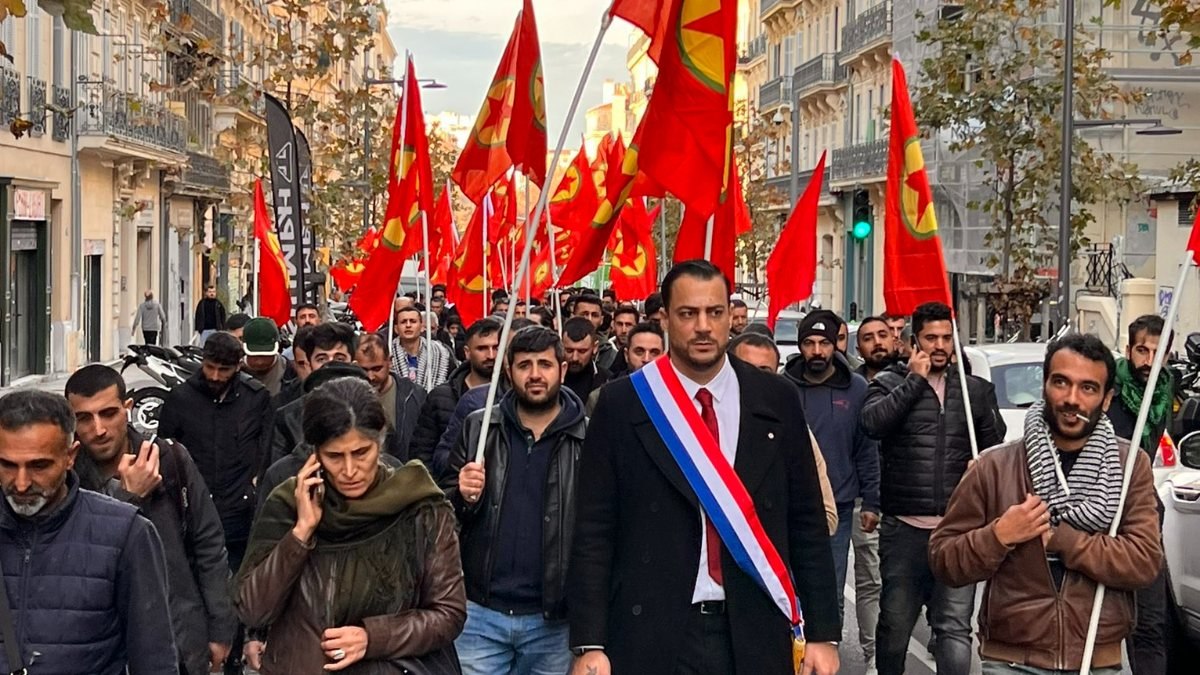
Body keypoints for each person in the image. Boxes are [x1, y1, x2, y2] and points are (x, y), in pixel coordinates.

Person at [568, 260, 841, 675]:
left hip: (754, 625)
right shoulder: (623, 403)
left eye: (714, 313)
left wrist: (822, 632)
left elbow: (805, 521)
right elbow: (594, 528)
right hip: (652, 631)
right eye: (688, 313)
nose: (703, 326)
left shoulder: (776, 398)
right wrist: (590, 642)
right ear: (663, 319)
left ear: (730, 317)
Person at [929, 334, 1163, 673]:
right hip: (1011, 660)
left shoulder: (1130, 467)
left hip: (1095, 660)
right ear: (1044, 386)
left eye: (1088, 388)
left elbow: (1144, 562)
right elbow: (944, 559)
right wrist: (999, 535)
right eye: (1061, 382)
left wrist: (1064, 540)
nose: (1072, 399)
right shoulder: (994, 465)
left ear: (1107, 398)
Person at [235, 378, 466, 674]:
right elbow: (254, 610)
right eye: (334, 456)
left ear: (380, 440)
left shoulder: (420, 506)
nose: (349, 470)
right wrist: (301, 533)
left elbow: (449, 613)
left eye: (361, 453)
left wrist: (374, 637)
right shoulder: (287, 504)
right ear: (315, 452)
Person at [861, 301, 1006, 675]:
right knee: (894, 626)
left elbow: (997, 448)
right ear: (913, 342)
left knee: (954, 629)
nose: (940, 345)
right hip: (905, 529)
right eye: (931, 338)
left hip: (959, 529)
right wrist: (915, 381)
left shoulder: (975, 390)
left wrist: (984, 462)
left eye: (946, 338)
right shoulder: (890, 383)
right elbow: (873, 424)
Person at [66, 365, 236, 675]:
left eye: (108, 413)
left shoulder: (170, 459)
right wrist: (130, 499)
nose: (98, 429)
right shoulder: (66, 478)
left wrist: (221, 627)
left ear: (127, 408)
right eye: (84, 418)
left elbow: (209, 544)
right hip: (104, 649)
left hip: (180, 639)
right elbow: (76, 561)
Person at [441, 326, 588, 674]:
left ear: (562, 370)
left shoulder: (588, 436)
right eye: (524, 365)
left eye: (544, 364)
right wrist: (461, 494)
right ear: (509, 372)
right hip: (480, 614)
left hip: (552, 620)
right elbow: (443, 511)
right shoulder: (479, 429)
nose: (535, 375)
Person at [0, 389, 178, 674]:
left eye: (39, 466)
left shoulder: (127, 533)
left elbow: (154, 657)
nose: (21, 484)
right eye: (7, 465)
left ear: (70, 456)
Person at [783, 313, 880, 630]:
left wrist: (872, 501)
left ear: (836, 345)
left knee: (829, 592)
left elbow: (866, 449)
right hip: (788, 507)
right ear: (800, 346)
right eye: (809, 343)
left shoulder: (856, 388)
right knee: (788, 592)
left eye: (824, 343)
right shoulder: (782, 387)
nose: (817, 351)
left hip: (836, 507)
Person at [1107, 314, 1173, 675]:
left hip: (1144, 513)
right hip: (1102, 514)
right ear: (1129, 350)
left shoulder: (1164, 391)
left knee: (1149, 623)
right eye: (1142, 351)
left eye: (1158, 352)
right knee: (1090, 624)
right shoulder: (1108, 387)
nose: (1149, 360)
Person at [729, 331, 839, 537]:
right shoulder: (702, 425)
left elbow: (827, 516)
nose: (754, 379)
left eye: (765, 372)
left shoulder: (793, 429)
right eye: (745, 369)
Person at [410, 318, 501, 471]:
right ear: (467, 352)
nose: (491, 355)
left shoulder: (513, 397)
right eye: (482, 348)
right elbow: (422, 453)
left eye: (496, 348)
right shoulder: (441, 397)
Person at [270, 322, 358, 467]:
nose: (329, 366)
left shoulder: (372, 412)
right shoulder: (287, 418)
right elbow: (276, 477)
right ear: (309, 364)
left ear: (353, 363)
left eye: (339, 358)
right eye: (321, 359)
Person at [355, 334, 427, 460]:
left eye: (377, 369)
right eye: (364, 370)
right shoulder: (346, 397)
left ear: (390, 362)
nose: (371, 376)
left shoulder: (415, 395)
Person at [586, 321, 664, 415]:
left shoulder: (675, 397)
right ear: (626, 355)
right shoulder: (602, 397)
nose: (646, 359)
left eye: (654, 352)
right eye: (639, 352)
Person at [392, 305, 456, 391]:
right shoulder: (387, 354)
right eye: (403, 322)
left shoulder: (441, 354)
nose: (408, 325)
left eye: (413, 321)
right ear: (396, 328)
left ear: (422, 327)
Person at [562, 316, 612, 401]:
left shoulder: (607, 380)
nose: (575, 358)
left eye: (582, 351)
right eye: (569, 350)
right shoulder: (550, 377)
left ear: (595, 347)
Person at [242, 318, 291, 396]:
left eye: (265, 355)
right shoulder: (232, 372)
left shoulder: (291, 373)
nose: (260, 362)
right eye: (255, 356)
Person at [274, 324, 315, 410]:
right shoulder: (281, 404)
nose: (308, 371)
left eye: (313, 363)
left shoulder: (346, 393)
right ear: (294, 364)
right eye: (301, 364)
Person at [573, 294, 618, 371]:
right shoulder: (559, 349)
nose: (589, 319)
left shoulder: (610, 355)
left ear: (601, 320)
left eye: (595, 315)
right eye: (584, 314)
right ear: (574, 316)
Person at [855, 315, 894, 382]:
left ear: (894, 342)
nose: (877, 342)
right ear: (859, 351)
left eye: (882, 335)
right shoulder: (852, 385)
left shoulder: (909, 377)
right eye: (868, 339)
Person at [606, 306, 639, 376]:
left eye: (628, 325)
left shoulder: (643, 353)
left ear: (637, 326)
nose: (624, 330)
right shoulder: (602, 351)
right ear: (613, 325)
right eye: (620, 324)